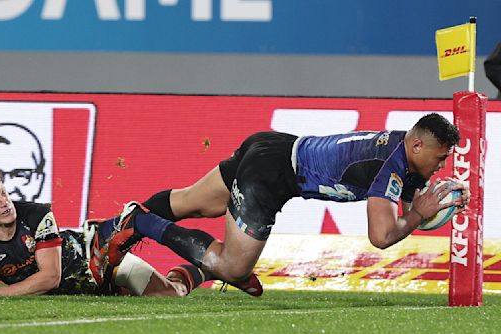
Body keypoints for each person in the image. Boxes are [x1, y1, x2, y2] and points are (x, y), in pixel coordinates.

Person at [103, 113, 471, 297]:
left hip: (273, 146)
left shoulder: (407, 153)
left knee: (192, 203)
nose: (441, 167)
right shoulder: (387, 165)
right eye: (440, 159)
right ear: (418, 146)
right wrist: (422, 213)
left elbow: (408, 210)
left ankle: (110, 230)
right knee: (233, 266)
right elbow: (383, 233)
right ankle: (141, 223)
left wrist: (440, 202)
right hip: (272, 174)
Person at [0, 169, 204, 297]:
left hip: (100, 262)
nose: (5, 203)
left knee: (172, 295)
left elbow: (50, 278)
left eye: (5, 194)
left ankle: (202, 270)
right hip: (87, 292)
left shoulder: (36, 214)